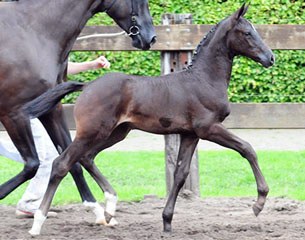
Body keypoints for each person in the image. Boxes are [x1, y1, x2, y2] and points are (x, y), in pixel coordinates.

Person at [0, 56, 110, 218]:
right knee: (45, 156)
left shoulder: (40, 45)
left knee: (44, 156)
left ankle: (29, 203)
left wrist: (91, 65)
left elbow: (57, 66)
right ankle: (29, 204)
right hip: (24, 108)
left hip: (33, 107)